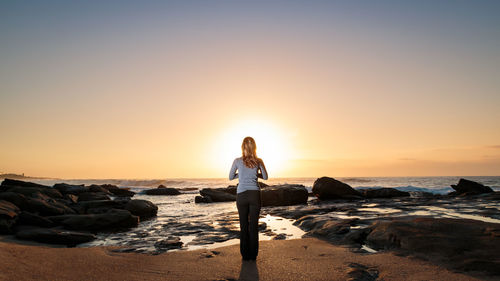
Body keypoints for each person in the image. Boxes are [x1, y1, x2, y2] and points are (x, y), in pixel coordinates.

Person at [229, 136, 268, 261]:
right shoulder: (259, 161)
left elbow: (230, 177)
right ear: (254, 147)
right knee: (254, 226)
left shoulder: (237, 161)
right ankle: (253, 255)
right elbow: (266, 177)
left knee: (244, 225)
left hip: (241, 195)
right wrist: (255, 174)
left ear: (242, 147)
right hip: (254, 194)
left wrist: (241, 175)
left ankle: (245, 256)